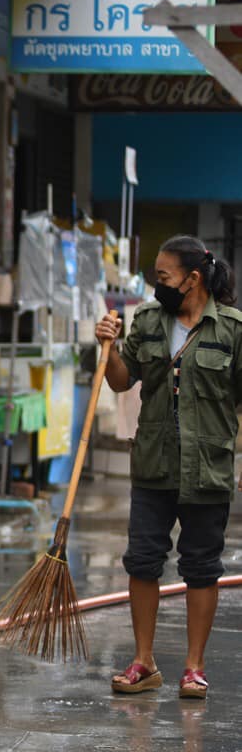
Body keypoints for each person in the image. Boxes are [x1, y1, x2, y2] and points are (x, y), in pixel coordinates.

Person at [101, 234, 242, 700]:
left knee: (202, 567)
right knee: (143, 561)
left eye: (163, 276)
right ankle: (144, 662)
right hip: (153, 465)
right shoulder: (148, 321)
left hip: (207, 467)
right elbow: (121, 382)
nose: (156, 285)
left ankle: (194, 668)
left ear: (193, 278)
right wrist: (109, 349)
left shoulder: (232, 330)